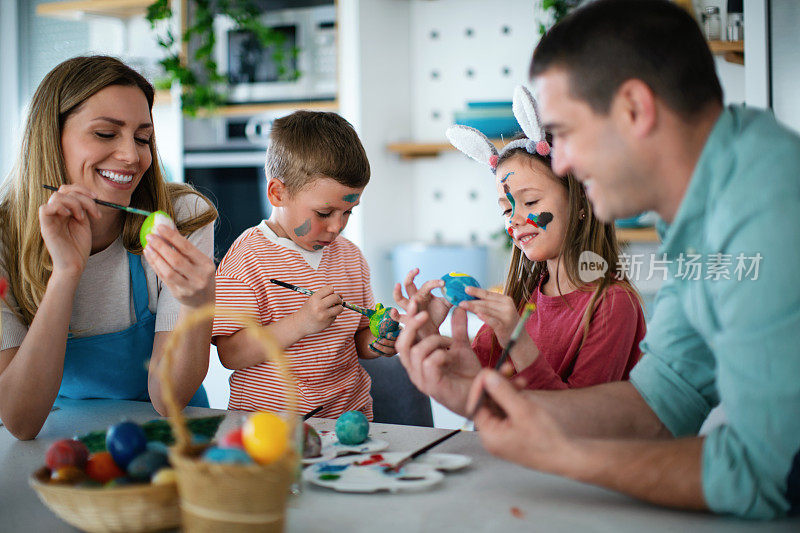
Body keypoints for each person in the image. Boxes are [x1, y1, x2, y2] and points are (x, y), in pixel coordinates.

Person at [398, 0, 800, 519]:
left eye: (563, 132)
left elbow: (763, 472)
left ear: (634, 108)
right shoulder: (694, 215)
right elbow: (660, 405)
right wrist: (472, 394)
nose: (558, 160)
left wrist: (568, 457)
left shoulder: (766, 208)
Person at [393, 86, 645, 418]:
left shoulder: (612, 304)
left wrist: (517, 339)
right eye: (506, 209)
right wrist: (430, 335)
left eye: (530, 202)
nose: (515, 219)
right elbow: (481, 394)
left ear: (581, 200)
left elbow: (581, 422)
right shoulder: (519, 295)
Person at [0, 56, 218, 440]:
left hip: (170, 435)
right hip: (63, 440)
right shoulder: (5, 237)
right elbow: (21, 419)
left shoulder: (184, 217)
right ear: (50, 138)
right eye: (105, 134)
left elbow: (168, 400)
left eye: (142, 138)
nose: (132, 157)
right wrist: (67, 272)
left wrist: (198, 304)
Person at [212, 111, 395, 419]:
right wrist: (301, 323)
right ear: (277, 193)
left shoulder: (350, 257)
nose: (337, 227)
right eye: (325, 213)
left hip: (349, 422)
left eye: (348, 212)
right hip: (270, 431)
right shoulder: (247, 259)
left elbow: (361, 339)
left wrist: (382, 340)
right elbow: (230, 353)